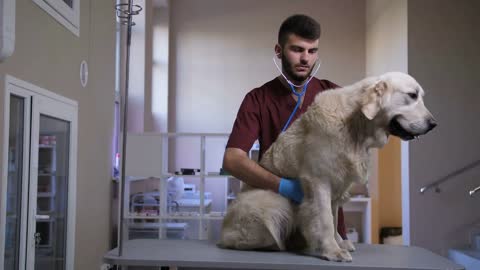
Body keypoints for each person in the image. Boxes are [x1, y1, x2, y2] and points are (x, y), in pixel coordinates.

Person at [223, 14, 347, 239]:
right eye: (297, 49)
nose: (305, 59)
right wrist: (284, 187)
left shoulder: (333, 94)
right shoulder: (258, 99)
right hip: (279, 219)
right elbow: (232, 159)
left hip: (326, 222)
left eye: (312, 51)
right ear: (279, 51)